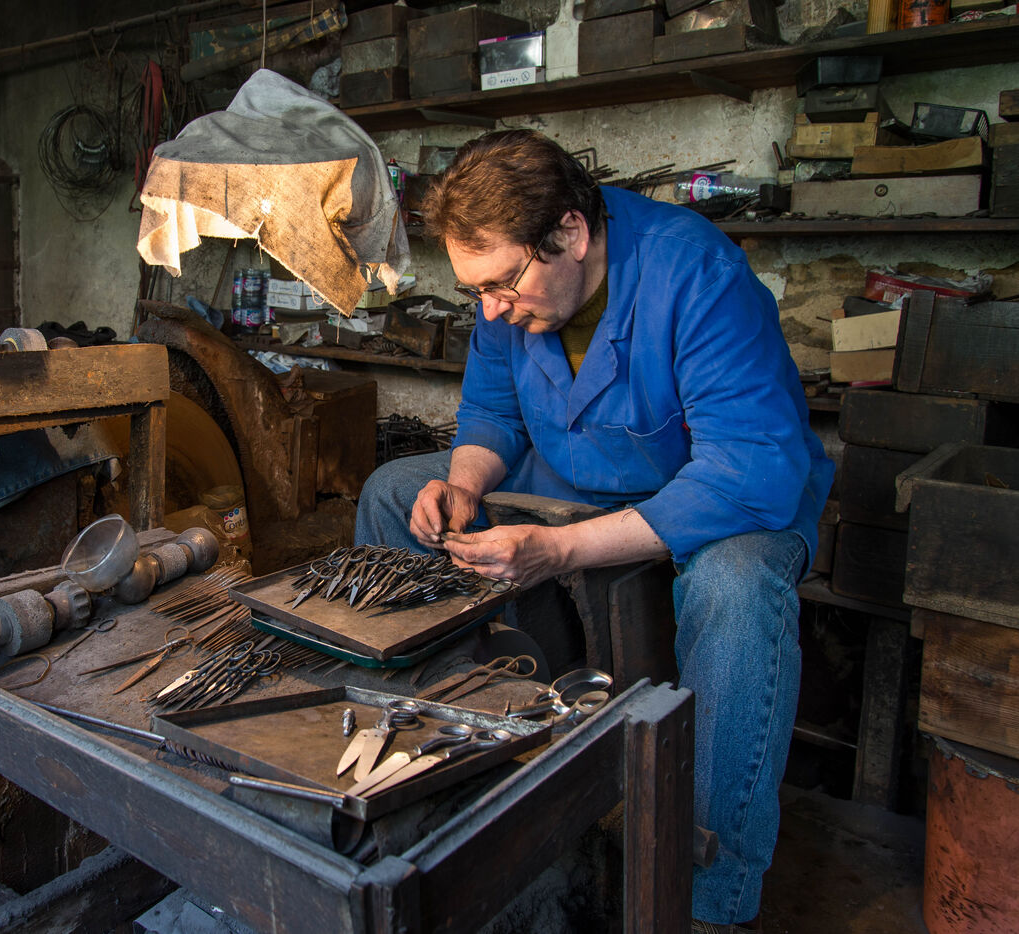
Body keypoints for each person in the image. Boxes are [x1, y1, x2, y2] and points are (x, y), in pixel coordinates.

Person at [354, 129, 833, 932]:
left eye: (501, 284)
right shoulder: (505, 294)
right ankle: (456, 769)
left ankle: (707, 890)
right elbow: (493, 413)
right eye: (475, 291)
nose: (490, 308)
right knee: (395, 493)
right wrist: (463, 484)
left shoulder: (696, 271)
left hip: (719, 494)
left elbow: (745, 469)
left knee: (736, 589)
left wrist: (560, 550)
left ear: (570, 233)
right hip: (576, 473)